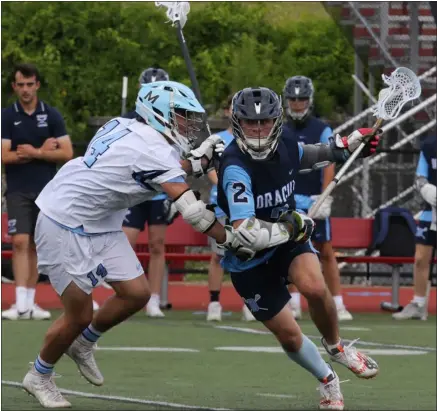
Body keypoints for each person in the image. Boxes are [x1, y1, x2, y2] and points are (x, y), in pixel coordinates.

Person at [22, 80, 236, 409]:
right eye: (181, 116)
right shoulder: (151, 148)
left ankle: (83, 344)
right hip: (64, 221)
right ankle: (39, 375)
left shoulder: (126, 124)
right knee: (77, 315)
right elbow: (191, 210)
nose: (188, 125)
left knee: (136, 293)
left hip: (100, 220)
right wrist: (230, 239)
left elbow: (159, 169)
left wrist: (197, 163)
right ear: (159, 113)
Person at [217, 87, 380, 410]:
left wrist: (350, 146)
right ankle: (328, 379)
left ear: (277, 121)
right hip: (249, 259)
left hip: (288, 243)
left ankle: (336, 347)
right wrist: (290, 227)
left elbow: (315, 155)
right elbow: (246, 232)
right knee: (289, 336)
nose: (259, 130)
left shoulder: (287, 143)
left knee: (315, 288)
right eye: (251, 123)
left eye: (265, 122)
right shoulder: (234, 166)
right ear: (238, 123)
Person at [1, 63, 73, 321]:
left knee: (35, 244)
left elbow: (66, 153)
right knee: (19, 241)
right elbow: (4, 155)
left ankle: (31, 303)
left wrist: (35, 152)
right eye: (20, 85)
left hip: (46, 190)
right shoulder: (7, 116)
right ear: (14, 87)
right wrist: (39, 152)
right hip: (18, 189)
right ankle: (19, 304)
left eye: (30, 84)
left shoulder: (52, 115)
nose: (25, 90)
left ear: (37, 85)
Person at [282, 75, 353, 321]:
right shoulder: (281, 130)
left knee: (326, 250)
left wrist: (324, 197)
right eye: (293, 99)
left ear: (309, 100)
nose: (297, 103)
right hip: (289, 198)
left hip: (314, 198)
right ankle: (293, 303)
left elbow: (329, 163)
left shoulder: (321, 129)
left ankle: (338, 302)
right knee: (289, 250)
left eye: (302, 99)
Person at [122, 67, 177, 318]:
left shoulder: (174, 120)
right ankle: (126, 292)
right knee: (125, 242)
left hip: (160, 191)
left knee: (157, 244)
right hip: (135, 190)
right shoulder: (131, 119)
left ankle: (153, 298)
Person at [206, 94, 255, 322]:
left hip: (245, 206)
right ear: (227, 112)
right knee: (218, 255)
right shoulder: (217, 139)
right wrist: (226, 185)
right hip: (222, 206)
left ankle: (250, 301)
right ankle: (214, 302)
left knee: (248, 254)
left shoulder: (253, 139)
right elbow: (209, 169)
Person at [393, 134, 436, 320]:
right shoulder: (429, 145)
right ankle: (418, 303)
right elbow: (420, 177)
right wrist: (428, 190)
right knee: (420, 258)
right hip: (431, 209)